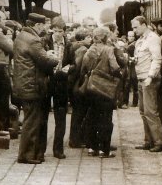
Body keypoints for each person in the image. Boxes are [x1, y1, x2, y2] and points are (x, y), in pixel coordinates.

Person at [12, 13, 58, 164]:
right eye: (43, 25)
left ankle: (30, 153)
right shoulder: (33, 40)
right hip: (32, 85)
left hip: (24, 84)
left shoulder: (21, 36)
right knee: (32, 121)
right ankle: (27, 155)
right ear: (37, 25)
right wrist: (54, 57)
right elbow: (45, 62)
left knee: (29, 119)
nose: (45, 27)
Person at [81, 27, 120, 158]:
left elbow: (84, 67)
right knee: (106, 118)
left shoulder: (89, 50)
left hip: (91, 88)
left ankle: (92, 147)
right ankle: (104, 150)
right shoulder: (108, 49)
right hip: (105, 88)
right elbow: (114, 67)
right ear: (105, 37)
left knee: (92, 116)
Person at [131, 15, 162, 152]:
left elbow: (157, 59)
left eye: (136, 27)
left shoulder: (152, 39)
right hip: (142, 79)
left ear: (144, 25)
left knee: (150, 111)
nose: (134, 30)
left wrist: (150, 76)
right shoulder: (141, 40)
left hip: (148, 79)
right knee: (143, 111)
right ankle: (149, 140)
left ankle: (159, 141)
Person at [45, 18, 72, 159]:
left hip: (61, 82)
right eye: (54, 31)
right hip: (47, 80)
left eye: (60, 31)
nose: (57, 34)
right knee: (43, 115)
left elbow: (74, 63)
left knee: (60, 117)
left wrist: (69, 68)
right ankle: (40, 148)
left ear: (64, 32)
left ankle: (58, 149)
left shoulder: (69, 45)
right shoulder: (44, 42)